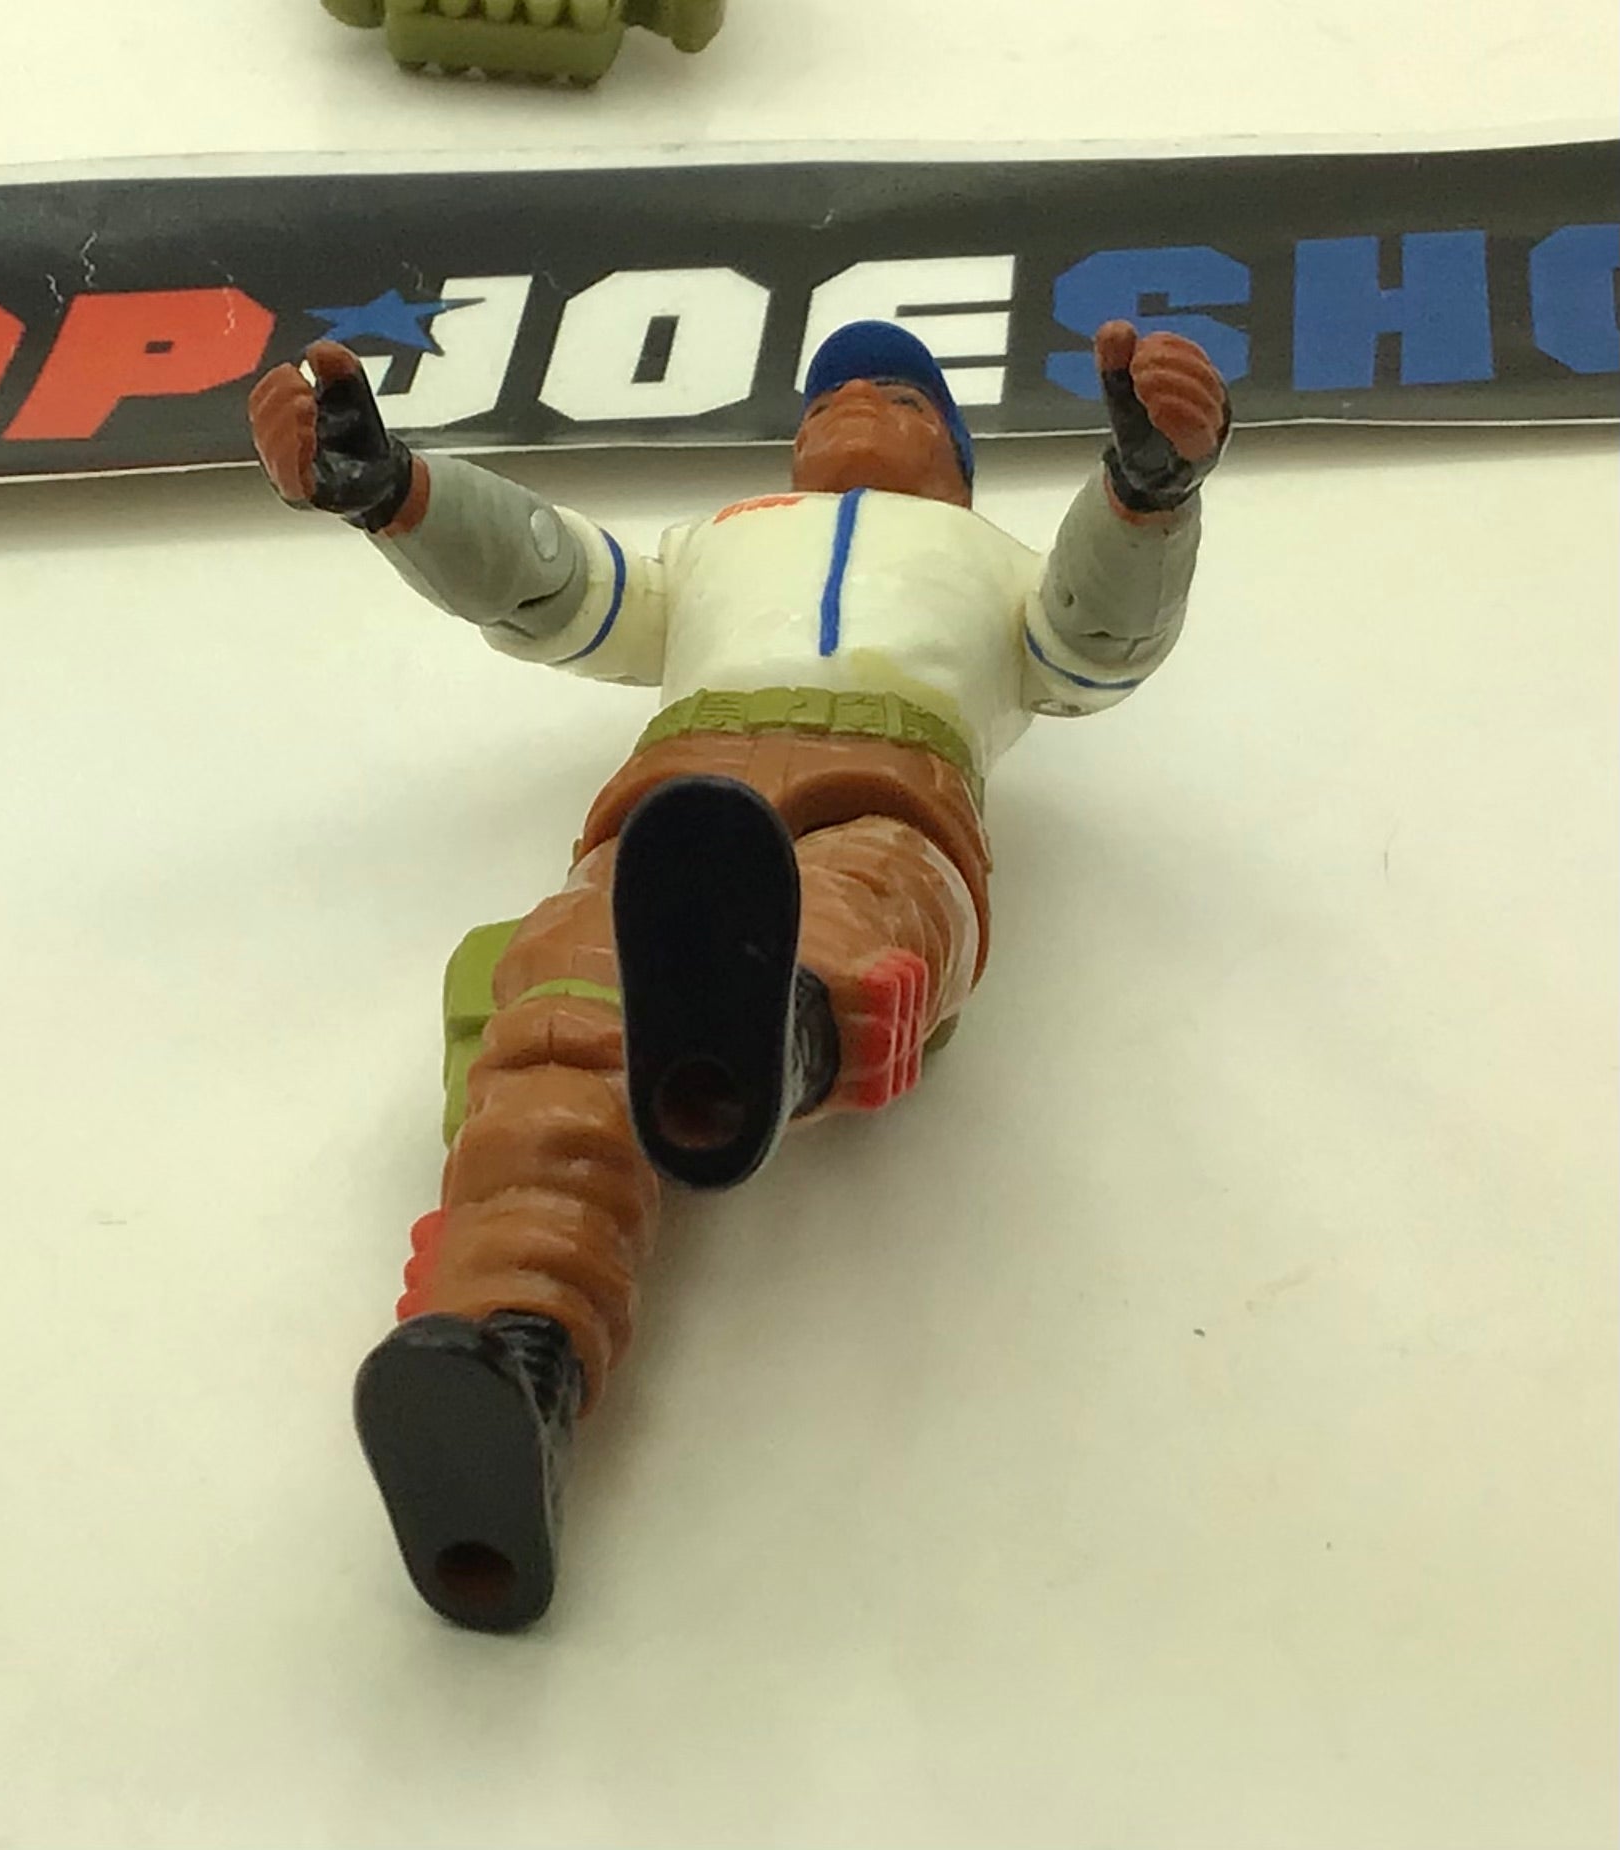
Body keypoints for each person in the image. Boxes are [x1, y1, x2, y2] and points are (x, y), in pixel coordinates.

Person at [248, 317, 1230, 1630]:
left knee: (871, 905)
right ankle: (512, 1350)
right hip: (679, 801)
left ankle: (772, 1037)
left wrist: (1143, 499)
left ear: (955, 455)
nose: (854, 403)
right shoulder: (717, 543)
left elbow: (1090, 642)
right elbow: (555, 581)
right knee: (558, 1012)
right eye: (828, 397)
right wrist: (399, 494)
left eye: (896, 396)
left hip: (895, 774)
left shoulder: (995, 561)